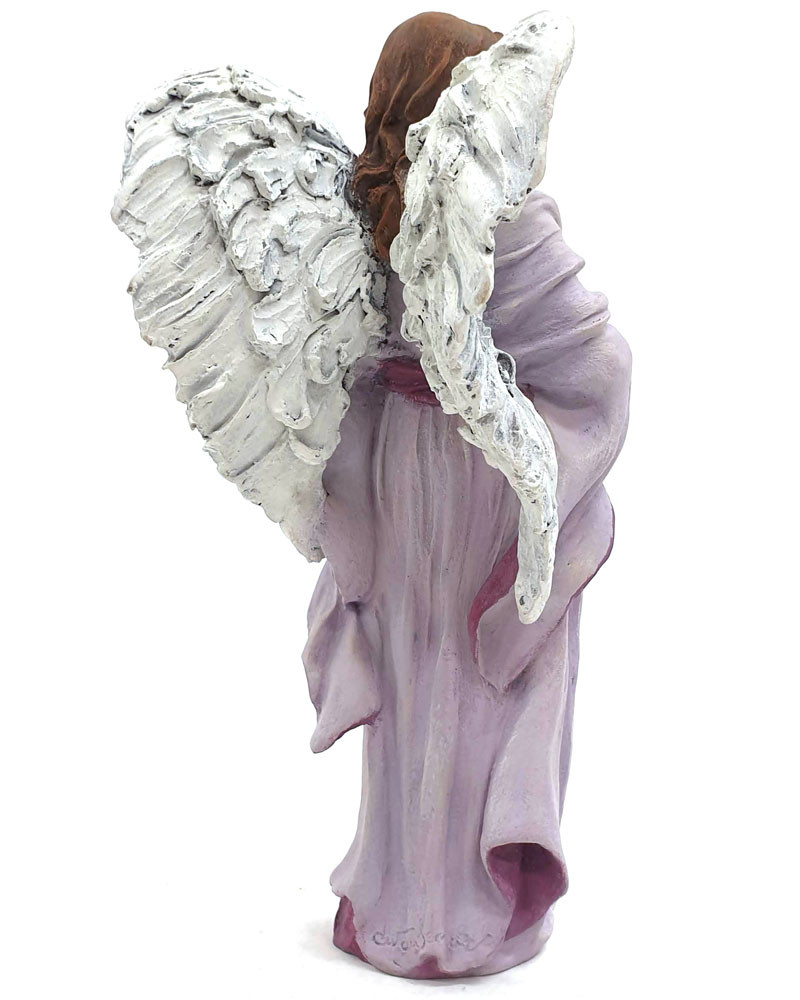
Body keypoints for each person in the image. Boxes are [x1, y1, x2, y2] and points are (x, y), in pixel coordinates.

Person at [302, 12, 632, 979]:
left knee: (422, 674)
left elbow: (337, 358)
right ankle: (457, 909)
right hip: (483, 483)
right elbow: (600, 360)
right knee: (466, 680)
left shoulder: (358, 228)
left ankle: (404, 897)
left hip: (404, 476)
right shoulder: (502, 226)